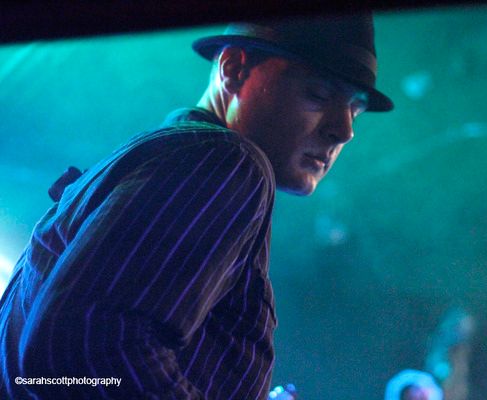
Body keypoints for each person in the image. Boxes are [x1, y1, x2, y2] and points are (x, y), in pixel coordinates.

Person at [0, 12, 393, 399]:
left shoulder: (167, 159)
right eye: (318, 94)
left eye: (354, 110)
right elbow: (83, 347)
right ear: (234, 69)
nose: (345, 130)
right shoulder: (225, 160)